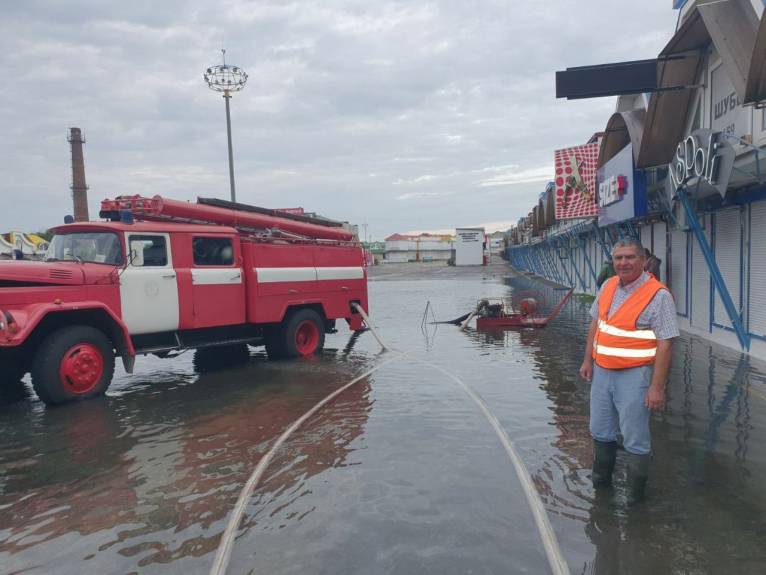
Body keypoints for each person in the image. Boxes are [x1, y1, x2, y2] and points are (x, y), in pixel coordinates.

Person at [579, 238, 679, 504]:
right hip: (602, 372)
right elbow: (595, 325)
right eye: (618, 258)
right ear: (613, 261)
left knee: (635, 437)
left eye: (630, 257)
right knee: (600, 431)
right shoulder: (609, 285)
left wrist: (657, 387)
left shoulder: (658, 296)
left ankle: (635, 503)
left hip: (635, 376)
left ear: (643, 261)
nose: (623, 263)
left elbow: (666, 343)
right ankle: (601, 492)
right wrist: (587, 360)